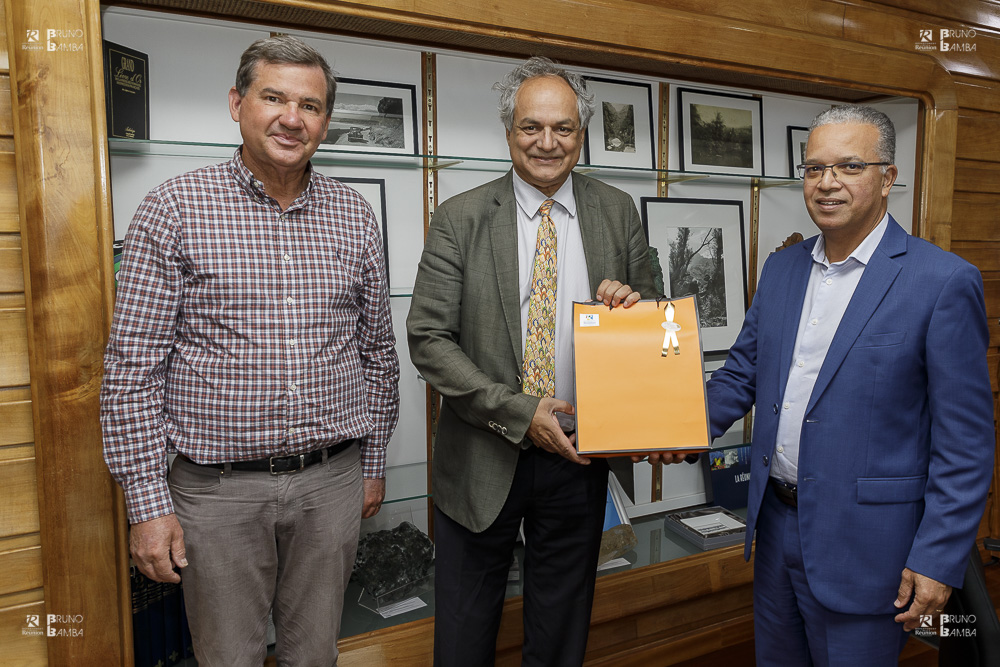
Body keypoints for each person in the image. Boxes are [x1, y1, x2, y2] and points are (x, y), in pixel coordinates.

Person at [101, 34, 400, 665]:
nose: (293, 118)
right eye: (274, 98)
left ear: (325, 120)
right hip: (216, 495)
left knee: (315, 653)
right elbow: (132, 370)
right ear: (237, 103)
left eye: (311, 106)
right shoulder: (174, 209)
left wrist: (372, 464)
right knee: (228, 657)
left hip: (332, 484)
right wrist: (148, 507)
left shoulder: (353, 216)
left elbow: (378, 353)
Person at [407, 56, 683, 667]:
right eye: (532, 127)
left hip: (581, 454)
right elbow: (428, 339)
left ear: (581, 135)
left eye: (563, 129)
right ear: (509, 132)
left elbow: (660, 319)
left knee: (561, 632)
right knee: (463, 634)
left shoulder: (616, 209)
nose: (547, 142)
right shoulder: (461, 217)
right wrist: (520, 411)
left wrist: (635, 305)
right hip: (482, 454)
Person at [699, 104, 994, 665]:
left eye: (849, 166)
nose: (827, 183)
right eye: (814, 169)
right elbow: (740, 375)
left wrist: (937, 559)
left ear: (888, 178)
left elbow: (966, 444)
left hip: (870, 546)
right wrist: (662, 428)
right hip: (776, 528)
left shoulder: (942, 282)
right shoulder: (783, 269)